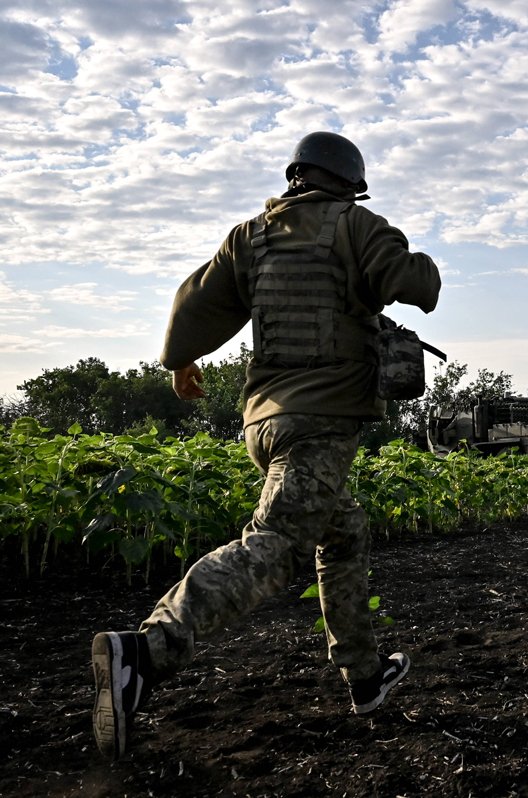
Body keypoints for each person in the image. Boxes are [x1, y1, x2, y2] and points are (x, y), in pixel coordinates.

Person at [91, 131, 441, 762]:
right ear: (349, 183)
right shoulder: (356, 224)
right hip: (321, 423)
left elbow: (195, 301)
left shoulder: (249, 236)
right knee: (276, 546)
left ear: (295, 176)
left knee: (344, 532)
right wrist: (421, 266)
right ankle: (146, 651)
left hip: (264, 421)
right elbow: (414, 284)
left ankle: (365, 675)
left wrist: (180, 360)